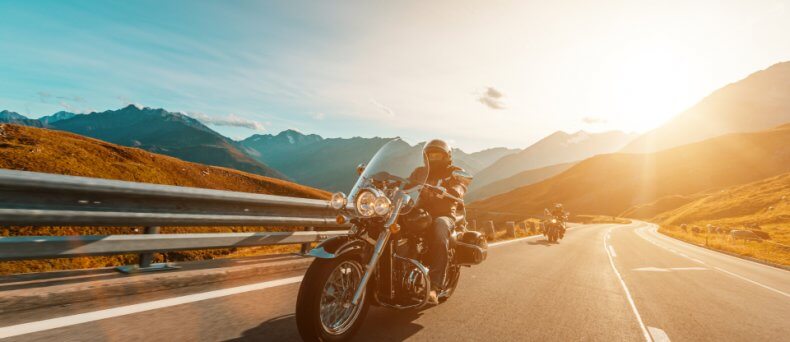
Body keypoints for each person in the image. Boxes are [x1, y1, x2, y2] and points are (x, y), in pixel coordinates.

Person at [415, 139, 468, 304]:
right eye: (430, 155)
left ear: (447, 156)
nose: (434, 158)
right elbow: (405, 183)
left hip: (444, 214)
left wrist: (454, 190)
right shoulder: (419, 172)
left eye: (437, 155)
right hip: (419, 211)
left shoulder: (454, 172)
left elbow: (462, 185)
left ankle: (434, 287)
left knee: (440, 227)